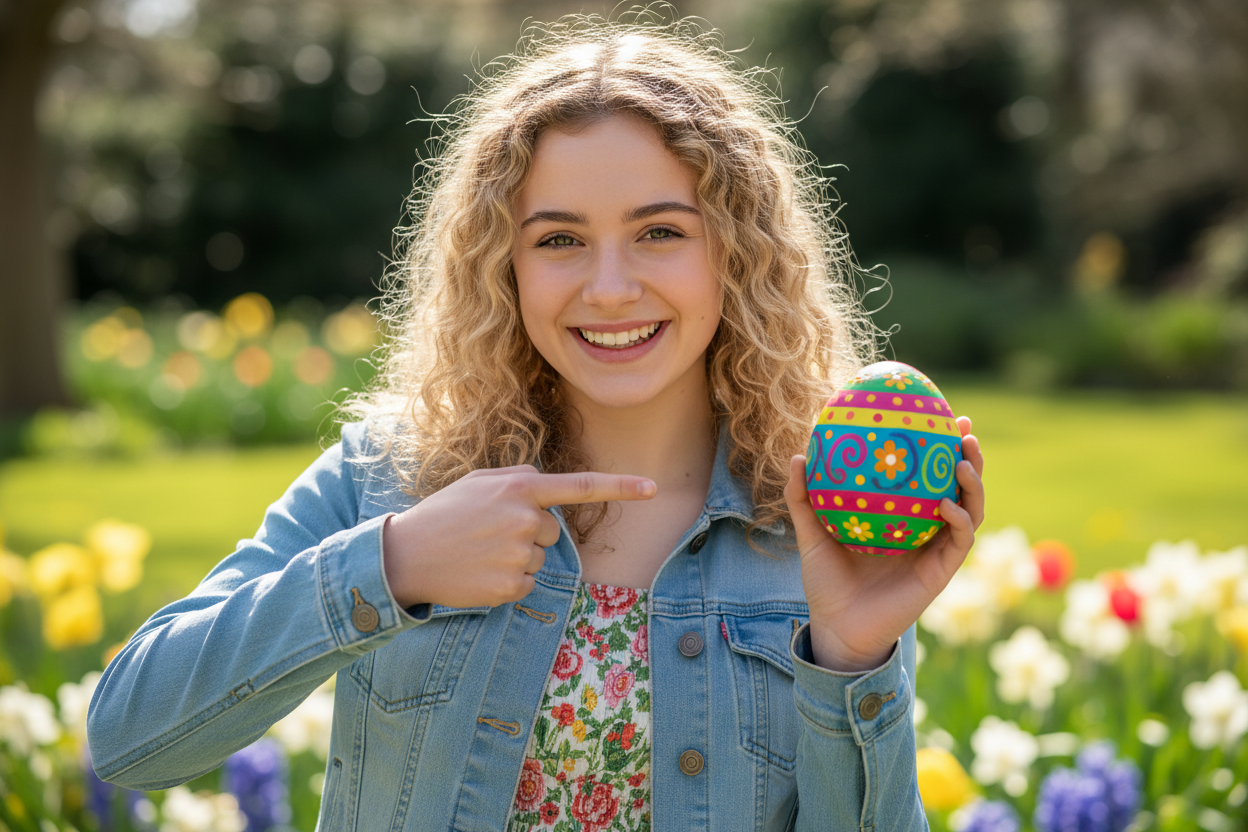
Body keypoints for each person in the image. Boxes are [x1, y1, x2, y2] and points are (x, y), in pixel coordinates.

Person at [88, 13, 984, 831]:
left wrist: (854, 658)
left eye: (660, 232)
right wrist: (392, 565)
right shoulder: (386, 477)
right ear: (502, 267)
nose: (609, 286)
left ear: (737, 256)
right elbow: (129, 737)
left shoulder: (818, 528)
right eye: (558, 240)